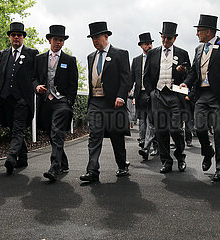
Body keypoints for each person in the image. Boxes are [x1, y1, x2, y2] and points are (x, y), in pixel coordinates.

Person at [0, 22, 39, 175]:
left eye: (19, 35)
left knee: (18, 129)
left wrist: (38, 87)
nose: (16, 37)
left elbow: (37, 74)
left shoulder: (32, 53)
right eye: (13, 35)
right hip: (6, 99)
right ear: (10, 37)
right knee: (14, 129)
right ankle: (22, 158)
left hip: (22, 100)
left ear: (23, 37)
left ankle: (11, 158)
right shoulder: (2, 54)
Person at [180, 14, 220, 181]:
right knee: (200, 127)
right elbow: (193, 72)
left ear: (209, 31)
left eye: (199, 31)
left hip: (219, 95)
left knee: (219, 131)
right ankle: (207, 151)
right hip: (202, 95)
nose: (197, 34)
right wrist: (186, 83)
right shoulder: (198, 49)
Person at [80, 21, 131, 182]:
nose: (95, 41)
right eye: (92, 38)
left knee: (116, 137)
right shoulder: (90, 57)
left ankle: (122, 165)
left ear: (106, 36)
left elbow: (126, 79)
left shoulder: (120, 54)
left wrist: (121, 96)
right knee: (94, 136)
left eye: (97, 37)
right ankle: (92, 171)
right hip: (95, 102)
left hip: (113, 103)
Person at [32, 25, 78, 181]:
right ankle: (63, 162)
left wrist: (69, 102)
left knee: (57, 131)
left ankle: (54, 167)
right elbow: (33, 78)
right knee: (52, 134)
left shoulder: (69, 60)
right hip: (45, 101)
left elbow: (73, 84)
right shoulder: (39, 59)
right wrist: (37, 86)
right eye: (56, 39)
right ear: (49, 40)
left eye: (61, 40)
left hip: (61, 102)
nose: (59, 42)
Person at [144, 21, 190, 173]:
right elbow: (147, 76)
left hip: (175, 96)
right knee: (161, 130)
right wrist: (151, 93)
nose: (165, 41)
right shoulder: (152, 53)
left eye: (168, 38)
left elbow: (190, 75)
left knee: (176, 129)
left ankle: (180, 157)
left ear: (174, 38)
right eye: (163, 38)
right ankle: (166, 161)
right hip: (158, 95)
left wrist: (183, 73)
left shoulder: (182, 53)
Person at [131, 32, 158, 160]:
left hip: (152, 93)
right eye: (147, 44)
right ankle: (143, 143)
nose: (149, 46)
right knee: (142, 120)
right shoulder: (136, 61)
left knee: (152, 120)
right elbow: (131, 78)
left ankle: (153, 146)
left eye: (151, 43)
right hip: (140, 93)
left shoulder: (157, 57)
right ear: (141, 45)